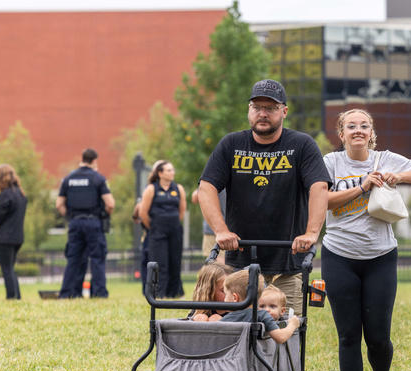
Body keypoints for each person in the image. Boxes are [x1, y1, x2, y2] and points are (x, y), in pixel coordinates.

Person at [323, 109, 411, 371]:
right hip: (338, 255)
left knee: (377, 336)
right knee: (348, 334)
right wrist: (362, 186)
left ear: (370, 131)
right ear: (342, 134)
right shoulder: (329, 164)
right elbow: (321, 201)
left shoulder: (385, 158)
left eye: (364, 126)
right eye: (351, 126)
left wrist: (397, 176)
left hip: (380, 257)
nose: (358, 130)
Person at [198, 79, 330, 314]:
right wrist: (221, 230)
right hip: (240, 264)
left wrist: (311, 233)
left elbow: (319, 187)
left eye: (270, 108)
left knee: (286, 332)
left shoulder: (302, 145)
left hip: (288, 262)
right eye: (257, 107)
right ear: (249, 110)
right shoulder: (231, 144)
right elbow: (206, 187)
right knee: (240, 329)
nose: (263, 113)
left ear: (284, 112)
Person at [56, 148, 115, 299]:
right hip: (93, 222)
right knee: (97, 258)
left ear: (81, 159)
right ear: (94, 161)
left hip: (75, 223)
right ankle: (99, 293)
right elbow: (110, 204)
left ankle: (69, 293)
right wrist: (104, 216)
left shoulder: (68, 179)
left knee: (74, 259)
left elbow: (59, 205)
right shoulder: (98, 179)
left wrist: (71, 217)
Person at [138, 160, 185, 298]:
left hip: (174, 230)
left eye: (172, 170)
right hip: (157, 231)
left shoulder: (178, 188)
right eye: (168, 170)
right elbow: (143, 213)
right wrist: (153, 227)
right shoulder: (152, 189)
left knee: (175, 262)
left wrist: (173, 223)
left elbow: (181, 211)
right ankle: (159, 294)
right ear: (160, 173)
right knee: (160, 264)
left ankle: (174, 293)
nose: (172, 173)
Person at [218, 269, 300, 345]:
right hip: (256, 358)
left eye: (225, 295)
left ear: (235, 297)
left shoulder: (225, 320)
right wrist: (292, 324)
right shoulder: (261, 315)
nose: (224, 299)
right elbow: (281, 337)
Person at [0, 164, 28, 300]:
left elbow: (0, 215)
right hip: (18, 236)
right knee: (11, 268)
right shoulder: (20, 193)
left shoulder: (5, 194)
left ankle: (11, 296)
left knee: (6, 268)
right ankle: (17, 295)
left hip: (6, 237)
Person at [191, 187, 226, 263]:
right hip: (229, 228)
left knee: (214, 261)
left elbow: (194, 197)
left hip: (213, 228)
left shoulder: (215, 179)